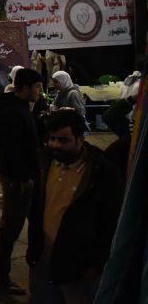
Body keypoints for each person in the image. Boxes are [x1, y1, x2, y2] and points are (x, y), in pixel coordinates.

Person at [26, 109, 124, 303]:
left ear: (80, 139)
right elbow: (36, 207)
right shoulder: (44, 161)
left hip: (79, 268)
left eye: (63, 140)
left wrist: (97, 264)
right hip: (42, 259)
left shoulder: (101, 172)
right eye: (52, 138)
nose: (55, 145)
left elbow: (111, 221)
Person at [0, 67, 43, 296]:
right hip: (17, 179)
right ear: (25, 88)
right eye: (37, 87)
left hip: (22, 177)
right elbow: (13, 149)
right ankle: (0, 279)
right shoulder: (12, 112)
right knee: (10, 229)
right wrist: (23, 177)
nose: (40, 91)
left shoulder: (18, 107)